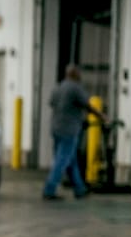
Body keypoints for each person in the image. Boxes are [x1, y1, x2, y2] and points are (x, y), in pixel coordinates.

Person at [42, 64, 108, 201]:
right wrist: (102, 116)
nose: (81, 76)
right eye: (79, 73)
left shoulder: (58, 87)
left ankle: (80, 189)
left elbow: (52, 103)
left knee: (71, 161)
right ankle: (49, 189)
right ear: (75, 74)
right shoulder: (75, 88)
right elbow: (88, 106)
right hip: (69, 129)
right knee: (62, 160)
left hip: (56, 128)